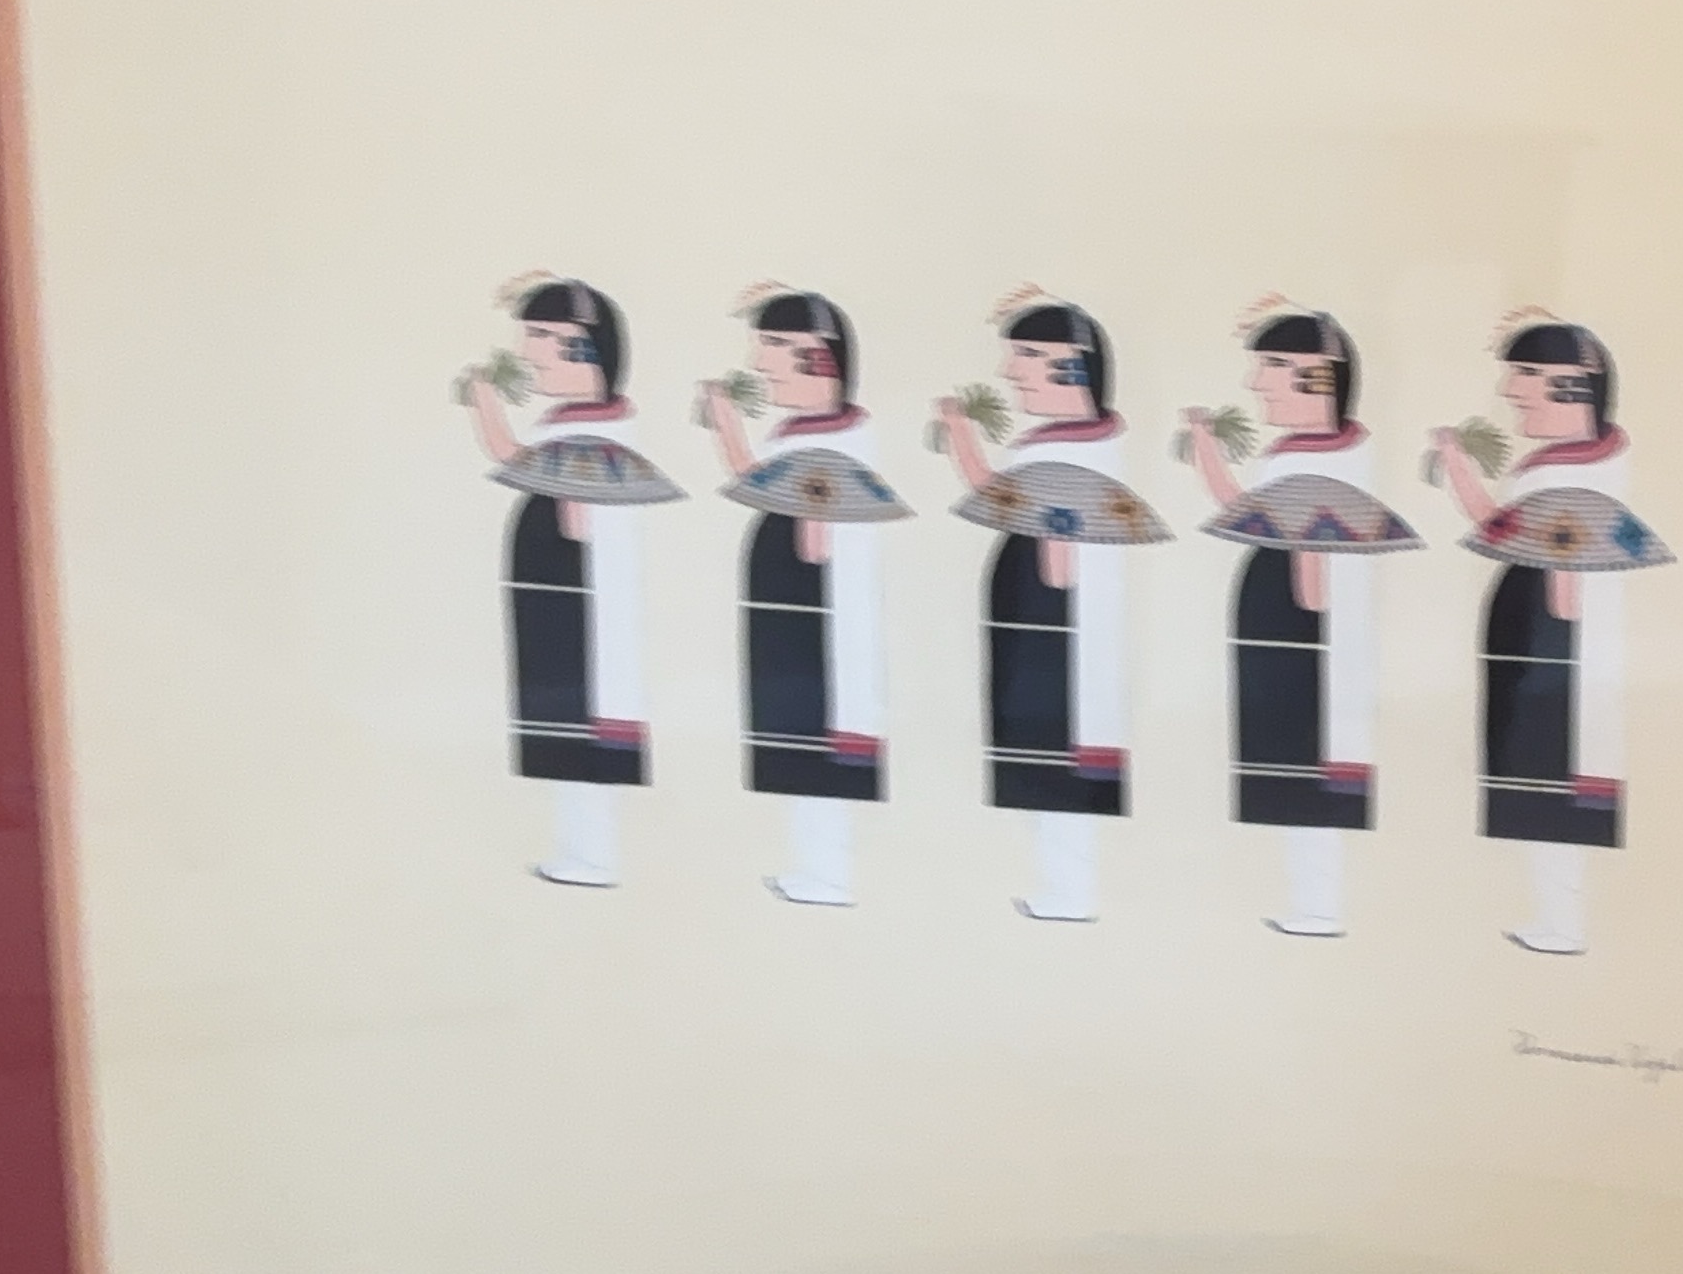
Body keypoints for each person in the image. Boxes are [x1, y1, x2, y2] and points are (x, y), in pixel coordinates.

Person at [1431, 312, 1671, 955]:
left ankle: (1565, 923)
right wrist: (1457, 463)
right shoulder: (1576, 460)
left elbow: (1543, 555)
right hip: (1543, 627)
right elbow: (1508, 527)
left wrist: (1555, 651)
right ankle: (1557, 918)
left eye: (1528, 374)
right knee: (1540, 780)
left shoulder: (1574, 471)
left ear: (1574, 383)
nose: (1511, 391)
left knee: (1552, 776)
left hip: (1552, 637)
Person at [1183, 301, 1418, 936]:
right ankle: (1311, 904)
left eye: (1273, 366)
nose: (1256, 382)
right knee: (1295, 772)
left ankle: (1318, 907)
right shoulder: (1312, 450)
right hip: (1291, 621)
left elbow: (1306, 553)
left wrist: (1307, 628)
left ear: (1318, 375)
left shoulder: (1321, 458)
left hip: (1301, 630)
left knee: (1309, 769)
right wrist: (1206, 447)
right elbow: (1251, 510)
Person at [936, 292, 1169, 923]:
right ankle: (1062, 889)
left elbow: (1047, 547)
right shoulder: (1072, 443)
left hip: (1054, 633)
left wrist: (961, 436)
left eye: (1028, 355)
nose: (1011, 372)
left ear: (1072, 366)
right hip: (1051, 626)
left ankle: (1070, 893)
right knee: (1049, 766)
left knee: (1057, 762)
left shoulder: (1068, 451)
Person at [459, 275, 681, 888]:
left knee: (581, 732)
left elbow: (566, 507)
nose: (529, 352)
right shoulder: (575, 422)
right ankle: (583, 852)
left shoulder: (591, 431)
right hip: (563, 594)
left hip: (577, 602)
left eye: (542, 336)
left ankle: (593, 857)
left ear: (584, 348)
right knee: (565, 731)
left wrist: (486, 406)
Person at [701, 286, 908, 908]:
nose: (760, 363)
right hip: (797, 613)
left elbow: (810, 536)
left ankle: (827, 875)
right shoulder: (806, 432)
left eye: (774, 345)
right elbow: (766, 485)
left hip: (815, 619)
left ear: (820, 357)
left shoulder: (830, 442)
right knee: (799, 750)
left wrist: (728, 427)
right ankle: (813, 869)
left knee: (817, 753)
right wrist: (729, 427)